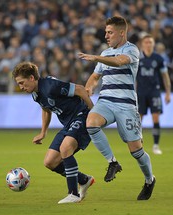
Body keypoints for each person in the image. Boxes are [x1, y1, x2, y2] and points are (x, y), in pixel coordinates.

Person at [78, 16, 155, 200]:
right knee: (91, 123)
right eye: (105, 32)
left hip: (126, 105)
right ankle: (112, 162)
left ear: (122, 33)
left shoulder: (132, 50)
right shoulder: (104, 54)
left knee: (136, 151)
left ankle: (149, 179)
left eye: (110, 32)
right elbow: (95, 77)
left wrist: (96, 57)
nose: (106, 36)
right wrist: (89, 87)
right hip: (106, 101)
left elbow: (119, 61)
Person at [12, 61, 95, 204]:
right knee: (50, 162)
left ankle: (73, 194)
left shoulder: (50, 86)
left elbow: (80, 89)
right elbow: (46, 109)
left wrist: (93, 113)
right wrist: (43, 132)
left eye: (22, 83)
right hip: (68, 124)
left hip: (81, 117)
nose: (20, 87)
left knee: (65, 148)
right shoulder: (35, 94)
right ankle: (84, 180)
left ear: (32, 78)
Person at [136, 34, 171, 155]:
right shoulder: (137, 58)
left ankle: (156, 145)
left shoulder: (158, 58)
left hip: (154, 91)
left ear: (153, 44)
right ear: (142, 44)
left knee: (155, 117)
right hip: (140, 92)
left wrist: (168, 92)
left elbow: (165, 76)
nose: (148, 44)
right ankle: (138, 145)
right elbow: (133, 77)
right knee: (138, 119)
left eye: (150, 42)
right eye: (146, 42)